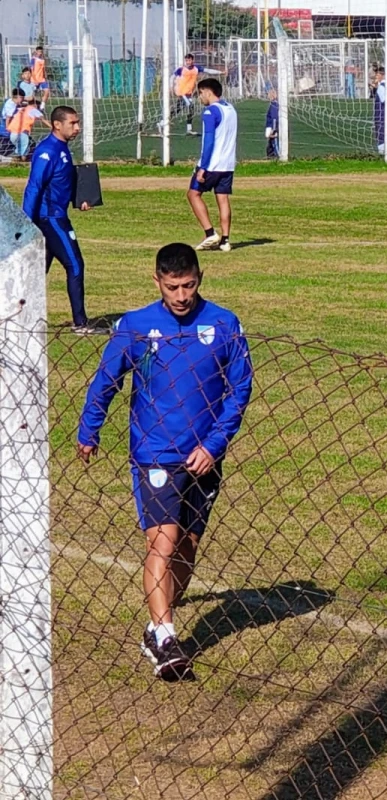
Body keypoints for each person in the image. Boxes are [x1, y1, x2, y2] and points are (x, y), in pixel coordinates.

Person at [77, 243, 253, 682]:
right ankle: (168, 637)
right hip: (154, 454)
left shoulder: (224, 324)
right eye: (172, 287)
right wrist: (89, 430)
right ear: (156, 281)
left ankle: (156, 627)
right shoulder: (135, 326)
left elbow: (240, 391)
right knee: (163, 542)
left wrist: (213, 445)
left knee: (187, 551)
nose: (181, 296)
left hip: (204, 457)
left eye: (188, 285)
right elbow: (106, 381)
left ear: (200, 279)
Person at [22, 105, 92, 331]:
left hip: (57, 215)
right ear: (57, 125)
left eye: (78, 122)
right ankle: (80, 324)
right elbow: (34, 187)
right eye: (73, 123)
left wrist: (77, 199)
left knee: (36, 273)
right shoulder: (47, 151)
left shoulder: (62, 148)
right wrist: (26, 224)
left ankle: (17, 318)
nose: (77, 128)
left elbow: (60, 183)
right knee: (75, 265)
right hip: (51, 219)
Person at [188, 78, 238, 252]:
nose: (199, 97)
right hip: (228, 164)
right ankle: (225, 240)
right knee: (222, 199)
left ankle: (210, 233)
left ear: (208, 92)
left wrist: (202, 168)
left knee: (193, 194)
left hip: (212, 165)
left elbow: (208, 142)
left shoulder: (210, 112)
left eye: (200, 93)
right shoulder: (231, 109)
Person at [172, 53, 223, 136]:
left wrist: (220, 72)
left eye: (189, 60)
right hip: (182, 92)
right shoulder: (181, 69)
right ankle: (189, 129)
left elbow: (208, 71)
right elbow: (172, 76)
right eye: (186, 60)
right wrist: (172, 86)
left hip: (188, 93)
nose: (188, 62)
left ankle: (162, 122)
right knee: (191, 106)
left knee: (178, 109)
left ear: (192, 60)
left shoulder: (196, 68)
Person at [265, 87, 279, 159]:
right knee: (270, 148)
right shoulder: (273, 104)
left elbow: (274, 118)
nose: (267, 96)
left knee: (275, 146)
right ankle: (271, 158)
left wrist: (273, 131)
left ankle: (279, 158)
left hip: (274, 131)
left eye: (269, 94)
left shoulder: (274, 105)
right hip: (273, 130)